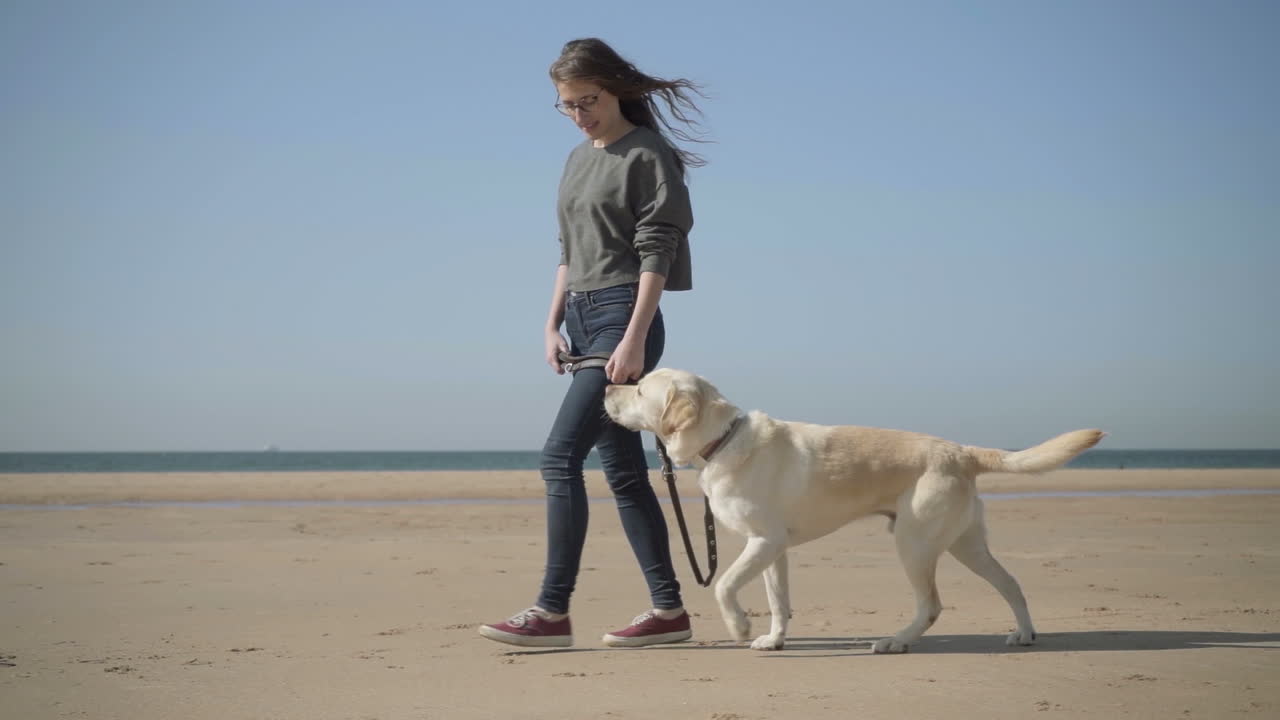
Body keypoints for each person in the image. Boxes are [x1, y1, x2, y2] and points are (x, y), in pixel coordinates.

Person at [478, 38, 706, 648]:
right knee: (626, 474)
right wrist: (550, 324)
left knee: (559, 457)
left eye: (588, 101)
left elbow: (658, 249)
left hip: (622, 316)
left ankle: (551, 614)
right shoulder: (578, 159)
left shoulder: (648, 154)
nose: (579, 114)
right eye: (567, 105)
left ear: (616, 90)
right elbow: (567, 251)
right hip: (580, 317)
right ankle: (669, 613)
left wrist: (631, 339)